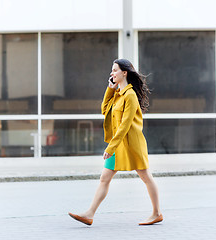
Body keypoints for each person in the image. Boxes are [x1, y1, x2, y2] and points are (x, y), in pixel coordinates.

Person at [68, 59, 163, 226]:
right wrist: (110, 90)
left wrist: (110, 147)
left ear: (124, 73)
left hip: (131, 144)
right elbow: (105, 109)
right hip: (117, 145)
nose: (111, 73)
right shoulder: (118, 94)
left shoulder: (130, 95)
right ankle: (89, 214)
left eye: (115, 70)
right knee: (104, 178)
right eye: (112, 71)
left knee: (146, 177)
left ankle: (157, 213)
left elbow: (125, 125)